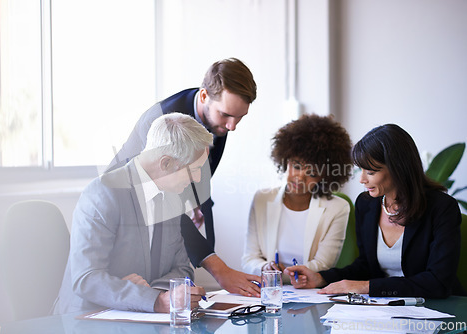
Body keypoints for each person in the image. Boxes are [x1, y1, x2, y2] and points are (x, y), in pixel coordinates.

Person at [108, 58, 261, 297]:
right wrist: (219, 269)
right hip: (123, 221)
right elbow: (166, 205)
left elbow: (202, 185)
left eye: (240, 117)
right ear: (203, 96)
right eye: (227, 115)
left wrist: (196, 204)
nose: (232, 127)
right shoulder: (163, 122)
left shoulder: (217, 119)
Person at [53, 113, 210, 314]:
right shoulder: (103, 193)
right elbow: (87, 279)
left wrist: (155, 294)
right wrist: (155, 300)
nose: (197, 178)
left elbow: (183, 269)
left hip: (136, 317)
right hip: (87, 319)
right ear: (166, 164)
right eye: (194, 170)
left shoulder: (171, 198)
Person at [285, 124, 464, 298]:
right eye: (360, 169)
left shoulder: (441, 208)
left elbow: (438, 281)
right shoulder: (366, 204)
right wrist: (321, 277)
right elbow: (366, 266)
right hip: (384, 308)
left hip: (435, 310)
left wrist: (367, 287)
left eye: (370, 172)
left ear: (398, 169)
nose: (362, 179)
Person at [242, 114, 353, 283]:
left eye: (312, 173)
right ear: (285, 160)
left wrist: (287, 275)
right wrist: (264, 268)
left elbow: (324, 264)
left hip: (310, 292)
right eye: (296, 166)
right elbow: (249, 259)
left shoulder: (338, 208)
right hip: (270, 292)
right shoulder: (262, 199)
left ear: (325, 177)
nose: (299, 178)